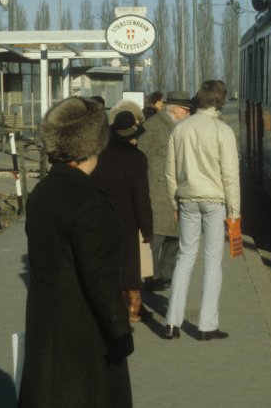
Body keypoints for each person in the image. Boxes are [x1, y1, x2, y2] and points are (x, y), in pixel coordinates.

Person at [19, 97, 134, 408]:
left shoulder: (43, 192)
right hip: (86, 329)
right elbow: (99, 274)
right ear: (93, 145)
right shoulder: (89, 201)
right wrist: (119, 328)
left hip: (47, 320)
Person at [163, 80, 241, 341]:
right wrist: (234, 212)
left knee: (185, 258)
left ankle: (172, 322)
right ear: (220, 101)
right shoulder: (223, 131)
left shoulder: (180, 129)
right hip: (215, 202)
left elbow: (170, 172)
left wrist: (175, 202)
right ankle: (206, 326)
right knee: (212, 262)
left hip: (187, 199)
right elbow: (230, 176)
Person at [91, 111, 154, 323]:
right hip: (128, 218)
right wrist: (147, 227)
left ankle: (115, 306)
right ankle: (133, 306)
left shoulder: (99, 155)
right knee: (131, 261)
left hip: (101, 216)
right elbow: (141, 197)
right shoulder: (137, 158)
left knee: (109, 262)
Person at [136, 90, 192, 291]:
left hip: (176, 190)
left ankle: (167, 275)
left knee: (175, 237)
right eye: (186, 110)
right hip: (156, 191)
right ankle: (150, 276)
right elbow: (140, 159)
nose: (188, 114)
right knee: (155, 237)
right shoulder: (152, 127)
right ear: (176, 109)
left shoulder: (180, 126)